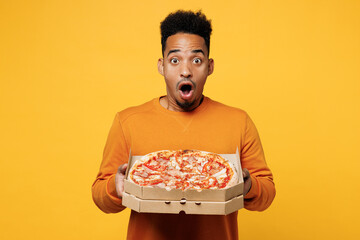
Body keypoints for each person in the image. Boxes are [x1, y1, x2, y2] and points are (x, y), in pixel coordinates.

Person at [92, 10, 275, 240]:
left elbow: (267, 193)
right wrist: (115, 187)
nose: (186, 70)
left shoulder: (238, 121)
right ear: (161, 66)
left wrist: (248, 186)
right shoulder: (127, 121)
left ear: (210, 66)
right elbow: (100, 196)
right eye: (175, 60)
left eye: (196, 60)